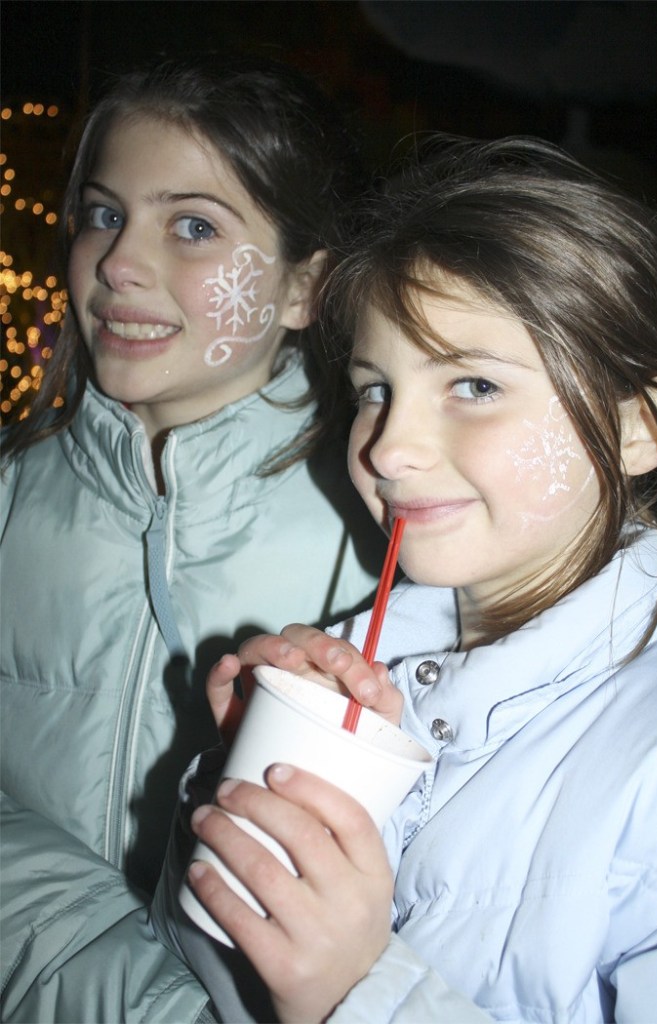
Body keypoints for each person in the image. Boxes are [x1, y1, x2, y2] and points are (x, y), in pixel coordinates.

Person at [155, 136, 657, 1022]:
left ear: (639, 428)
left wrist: (359, 994)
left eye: (473, 385)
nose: (387, 449)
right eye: (372, 388)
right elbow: (205, 968)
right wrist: (243, 789)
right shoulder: (374, 656)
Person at [0, 55, 384, 1022]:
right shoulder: (10, 497)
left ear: (305, 289)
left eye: (194, 226)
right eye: (102, 213)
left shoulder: (383, 547)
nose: (120, 261)